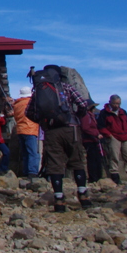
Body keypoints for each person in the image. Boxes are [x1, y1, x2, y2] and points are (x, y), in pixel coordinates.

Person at [32, 67, 91, 212]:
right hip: (71, 128)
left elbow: (30, 112)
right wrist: (77, 115)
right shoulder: (67, 87)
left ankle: (59, 200)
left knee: (55, 164)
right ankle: (83, 196)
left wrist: (44, 124)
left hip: (51, 131)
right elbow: (83, 104)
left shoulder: (39, 91)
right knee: (77, 162)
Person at [97, 94, 127, 184]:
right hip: (114, 137)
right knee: (114, 157)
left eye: (119, 103)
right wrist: (109, 135)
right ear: (110, 102)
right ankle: (115, 178)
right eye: (115, 103)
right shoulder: (104, 113)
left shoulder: (123, 111)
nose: (117, 106)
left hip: (126, 137)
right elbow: (101, 126)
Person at [11, 86, 40, 177]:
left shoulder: (16, 104)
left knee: (25, 153)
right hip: (30, 129)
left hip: (20, 130)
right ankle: (33, 172)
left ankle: (25, 171)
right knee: (33, 152)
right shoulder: (31, 102)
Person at [80, 99, 105, 183]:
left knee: (96, 159)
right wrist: (96, 134)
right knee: (92, 159)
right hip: (89, 140)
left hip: (93, 140)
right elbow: (85, 128)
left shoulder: (91, 116)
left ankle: (97, 177)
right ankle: (94, 178)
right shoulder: (86, 116)